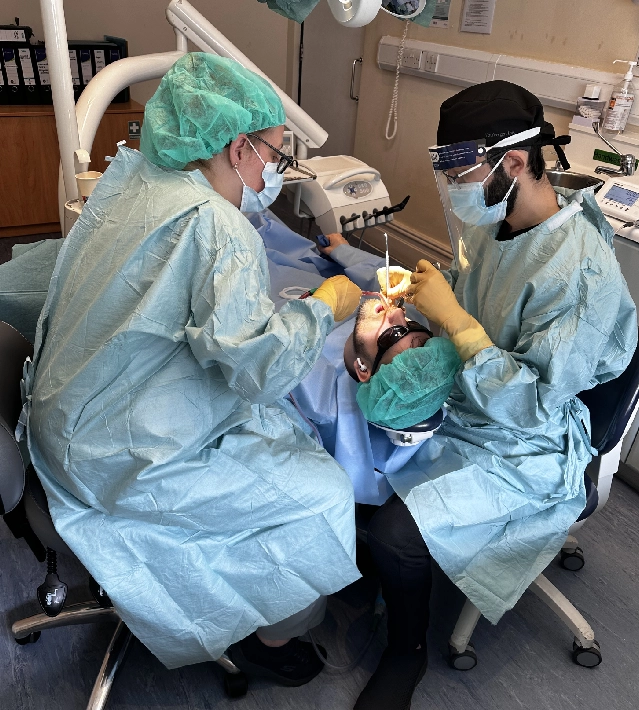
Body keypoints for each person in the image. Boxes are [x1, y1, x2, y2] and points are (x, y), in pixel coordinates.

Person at [21, 53, 364, 684]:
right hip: (115, 456)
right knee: (322, 495)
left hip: (65, 421)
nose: (276, 172)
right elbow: (255, 367)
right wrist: (323, 308)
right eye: (276, 155)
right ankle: (265, 634)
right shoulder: (218, 226)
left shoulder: (132, 184)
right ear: (239, 149)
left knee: (275, 437)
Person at [353, 81, 638, 710]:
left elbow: (535, 401)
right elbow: (476, 282)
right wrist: (423, 299)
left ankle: (408, 654)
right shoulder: (498, 220)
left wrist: (454, 321)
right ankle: (393, 575)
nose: (456, 190)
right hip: (474, 398)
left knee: (396, 535)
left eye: (463, 173)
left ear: (513, 161)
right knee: (361, 452)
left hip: (530, 441)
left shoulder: (580, 274)